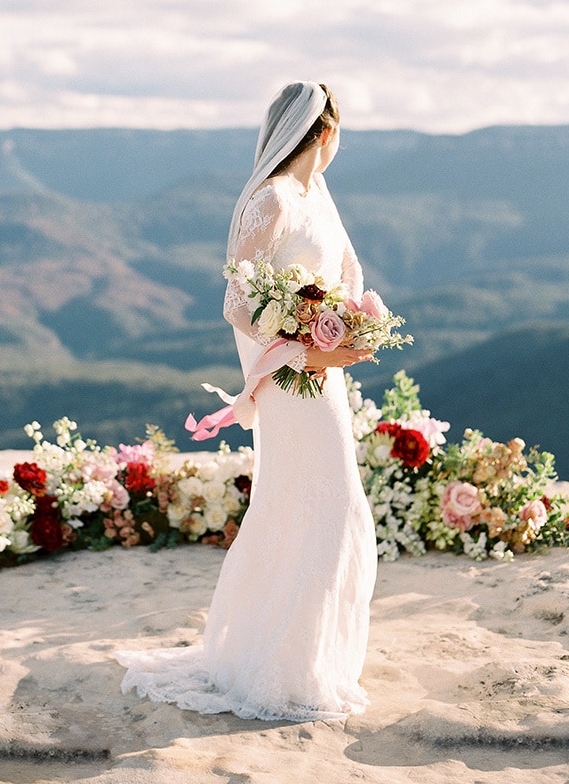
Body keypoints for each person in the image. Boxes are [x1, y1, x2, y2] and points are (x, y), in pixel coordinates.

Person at [116, 81, 378, 722]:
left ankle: (306, 660)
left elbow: (345, 275)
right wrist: (305, 349)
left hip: (325, 372)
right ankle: (284, 670)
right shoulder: (270, 201)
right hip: (289, 378)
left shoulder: (317, 195)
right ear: (324, 134)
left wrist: (351, 328)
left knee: (322, 502)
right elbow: (237, 302)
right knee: (326, 501)